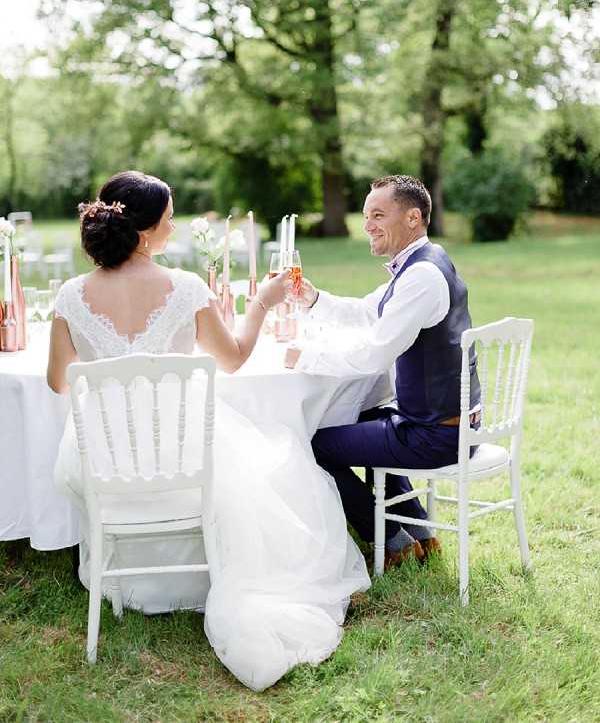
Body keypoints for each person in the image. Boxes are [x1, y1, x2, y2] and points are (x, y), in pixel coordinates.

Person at [48, 170, 370, 691]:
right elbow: (235, 360)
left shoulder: (69, 295)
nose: (173, 229)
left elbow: (59, 382)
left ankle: (138, 583)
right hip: (184, 459)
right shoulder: (186, 288)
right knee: (284, 459)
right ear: (146, 232)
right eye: (170, 220)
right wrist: (262, 303)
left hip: (105, 464)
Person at [285, 174, 480, 567]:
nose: (368, 225)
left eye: (378, 215)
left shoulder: (421, 277)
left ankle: (390, 539)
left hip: (437, 435)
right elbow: (365, 311)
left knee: (312, 444)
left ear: (412, 218)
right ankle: (419, 530)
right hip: (447, 422)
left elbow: (375, 355)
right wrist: (313, 298)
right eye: (365, 216)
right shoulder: (425, 261)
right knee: (365, 414)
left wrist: (305, 358)